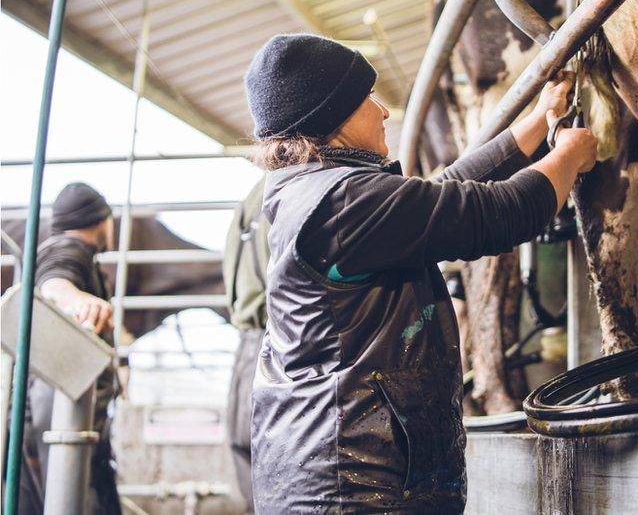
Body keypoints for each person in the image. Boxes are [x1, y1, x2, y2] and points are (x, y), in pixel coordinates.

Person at [245, 34, 597, 513]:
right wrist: (571, 155)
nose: (383, 110)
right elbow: (494, 215)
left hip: (338, 478)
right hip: (352, 490)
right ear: (333, 120)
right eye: (366, 98)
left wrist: (537, 123)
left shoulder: (320, 194)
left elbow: (439, 194)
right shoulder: (341, 203)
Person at [27, 182, 122, 515]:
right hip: (53, 418)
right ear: (101, 219)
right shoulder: (70, 250)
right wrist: (77, 300)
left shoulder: (63, 249)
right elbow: (54, 284)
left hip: (55, 416)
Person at [222, 177, 270, 512]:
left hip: (245, 350)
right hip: (275, 344)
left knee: (246, 455)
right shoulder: (291, 192)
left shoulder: (248, 204)